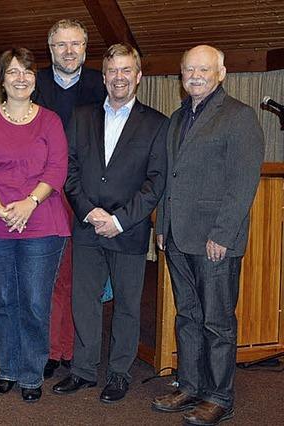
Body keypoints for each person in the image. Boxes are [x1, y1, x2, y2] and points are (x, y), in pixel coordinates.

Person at [153, 45, 264, 425]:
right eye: (188, 70)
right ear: (181, 76)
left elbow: (242, 182)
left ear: (222, 73)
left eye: (203, 69)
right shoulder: (177, 117)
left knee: (217, 322)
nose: (195, 76)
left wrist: (223, 233)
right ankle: (191, 385)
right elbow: (171, 177)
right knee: (187, 316)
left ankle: (220, 396)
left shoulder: (239, 117)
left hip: (215, 239)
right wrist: (162, 225)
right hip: (177, 238)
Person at [54, 43, 167, 403]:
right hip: (87, 226)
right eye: (112, 71)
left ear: (138, 76)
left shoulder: (156, 123)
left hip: (129, 230)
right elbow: (69, 171)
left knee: (128, 307)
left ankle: (119, 373)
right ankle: (84, 371)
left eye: (126, 71)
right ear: (103, 77)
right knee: (83, 301)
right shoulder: (82, 116)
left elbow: (155, 182)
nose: (119, 77)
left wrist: (119, 219)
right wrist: (88, 211)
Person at [0, 47, 70, 403]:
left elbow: (57, 168)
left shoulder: (51, 121)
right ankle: (8, 369)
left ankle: (31, 373)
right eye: (13, 72)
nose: (21, 78)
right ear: (2, 80)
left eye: (27, 72)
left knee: (36, 302)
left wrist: (29, 203)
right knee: (5, 300)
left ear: (35, 79)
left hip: (41, 222)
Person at [32, 18, 107, 379]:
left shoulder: (101, 83)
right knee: (46, 273)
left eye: (76, 44)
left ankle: (73, 348)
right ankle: (48, 347)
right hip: (41, 193)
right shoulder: (34, 83)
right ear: (50, 50)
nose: (69, 51)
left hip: (82, 194)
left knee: (76, 277)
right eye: (61, 45)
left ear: (85, 48)